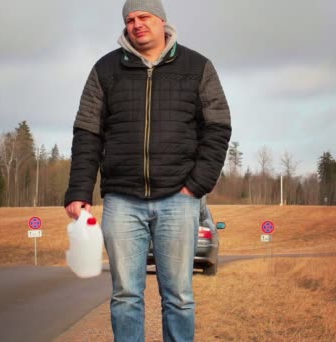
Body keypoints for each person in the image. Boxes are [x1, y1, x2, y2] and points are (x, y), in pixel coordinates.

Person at [64, 0, 231, 340]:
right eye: (130, 19)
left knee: (179, 297)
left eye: (144, 17)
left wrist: (196, 185)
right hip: (122, 201)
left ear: (162, 21)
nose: (137, 24)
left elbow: (218, 127)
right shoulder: (105, 70)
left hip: (179, 199)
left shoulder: (197, 66)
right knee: (126, 295)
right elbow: (87, 132)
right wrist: (80, 191)